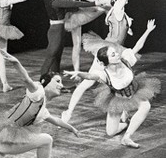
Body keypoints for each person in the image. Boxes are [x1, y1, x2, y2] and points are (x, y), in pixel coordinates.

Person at [64, 19, 160, 148]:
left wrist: (148, 30)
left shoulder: (126, 60)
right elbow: (91, 76)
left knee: (145, 106)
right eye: (113, 54)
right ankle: (126, 124)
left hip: (135, 92)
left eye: (115, 52)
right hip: (118, 99)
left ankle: (127, 137)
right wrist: (79, 73)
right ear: (107, 61)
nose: (117, 54)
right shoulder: (105, 74)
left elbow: (138, 46)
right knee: (111, 132)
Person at [61, 0, 138, 122]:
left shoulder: (120, 11)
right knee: (89, 82)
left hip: (116, 50)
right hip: (108, 49)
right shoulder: (116, 9)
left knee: (120, 79)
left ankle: (123, 113)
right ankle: (68, 112)